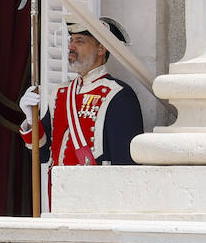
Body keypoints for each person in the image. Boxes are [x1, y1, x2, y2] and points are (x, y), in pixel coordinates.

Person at [18, 16, 144, 173]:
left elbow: (125, 164)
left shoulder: (118, 95)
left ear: (101, 49)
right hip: (59, 193)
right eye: (71, 40)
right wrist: (31, 121)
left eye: (79, 41)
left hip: (96, 193)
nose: (71, 46)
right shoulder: (61, 93)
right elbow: (42, 155)